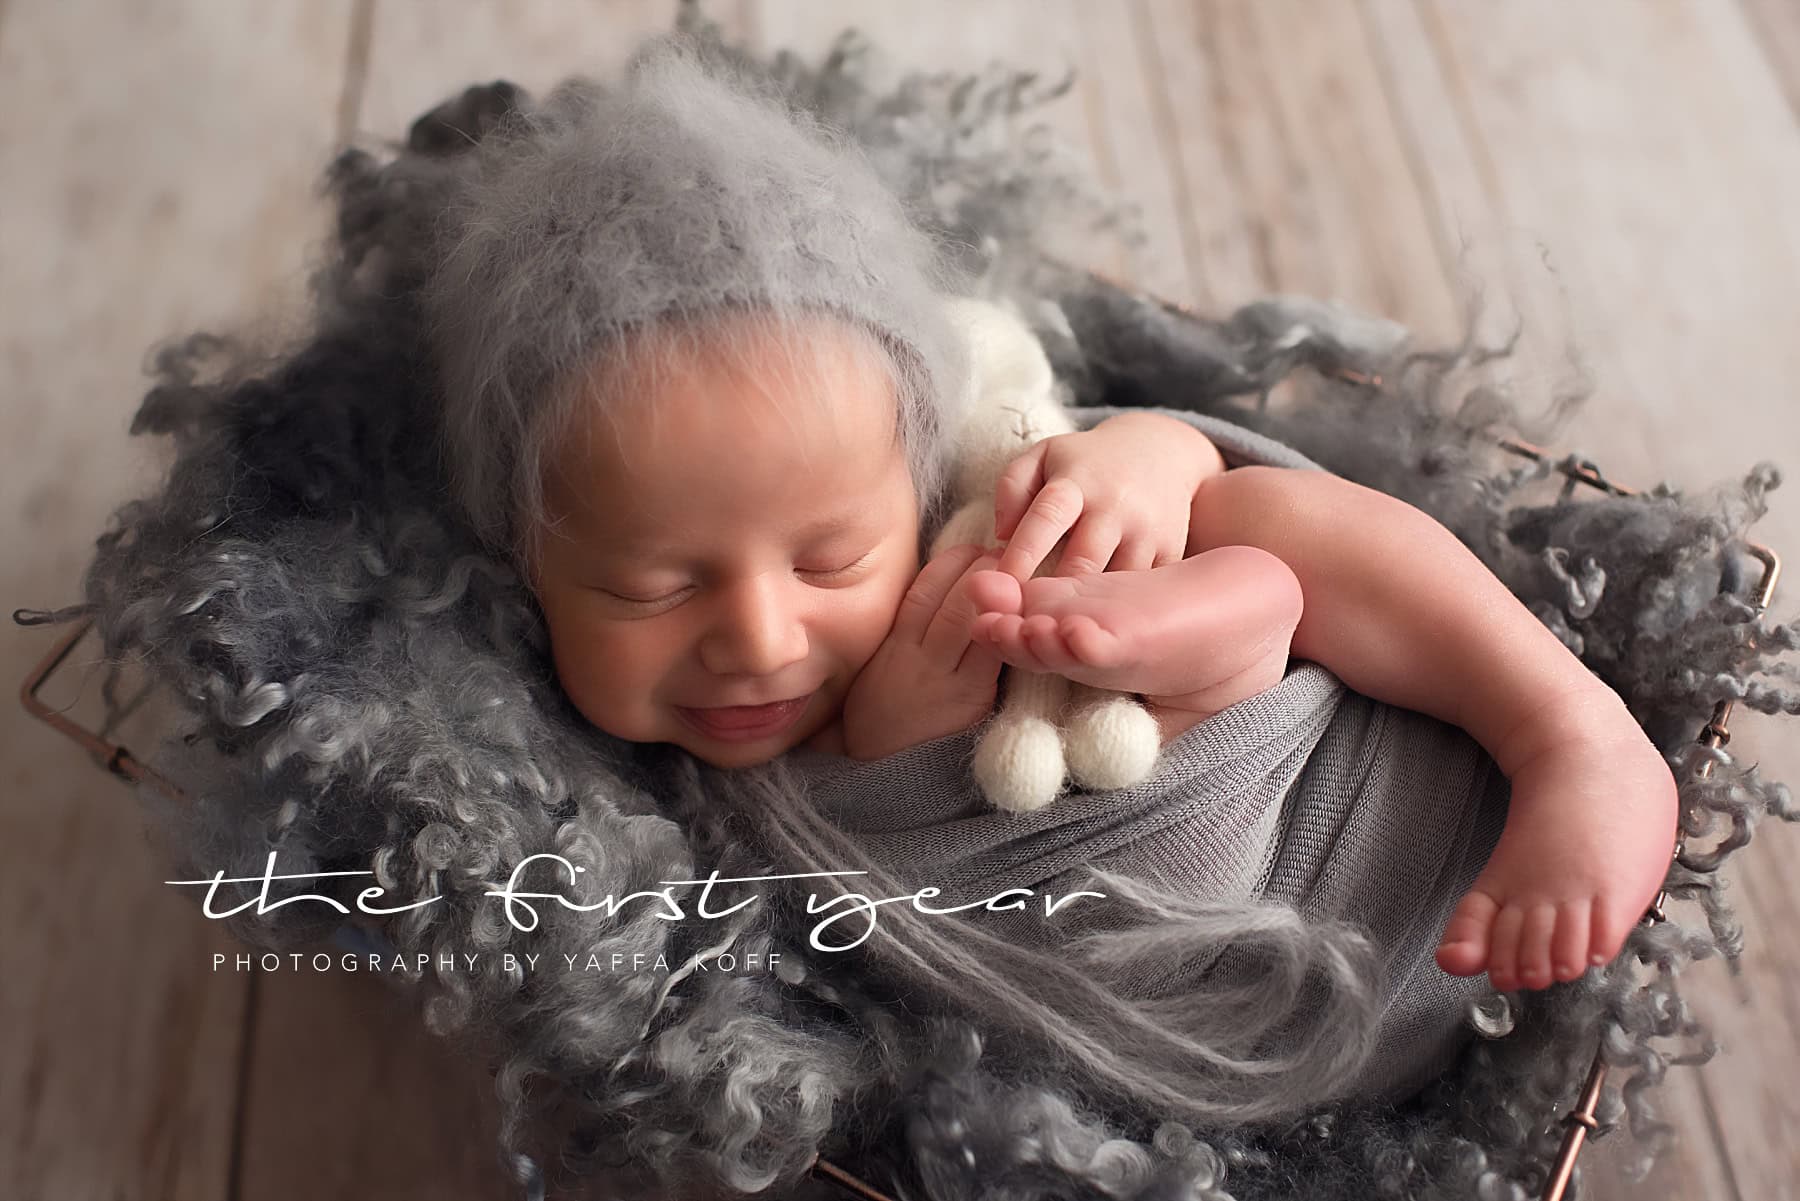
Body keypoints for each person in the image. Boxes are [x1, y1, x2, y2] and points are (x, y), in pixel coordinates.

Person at [429, 41, 1677, 1004]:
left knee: (1245, 510)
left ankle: (1569, 728)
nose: (758, 636)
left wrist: (1153, 455)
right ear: (528, 564)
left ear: (906, 484)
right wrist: (894, 755)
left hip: (1384, 787)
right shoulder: (603, 821)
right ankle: (1222, 657)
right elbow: (853, 959)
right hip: (1234, 966)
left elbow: (1056, 440)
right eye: (651, 588)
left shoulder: (971, 507)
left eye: (831, 559)